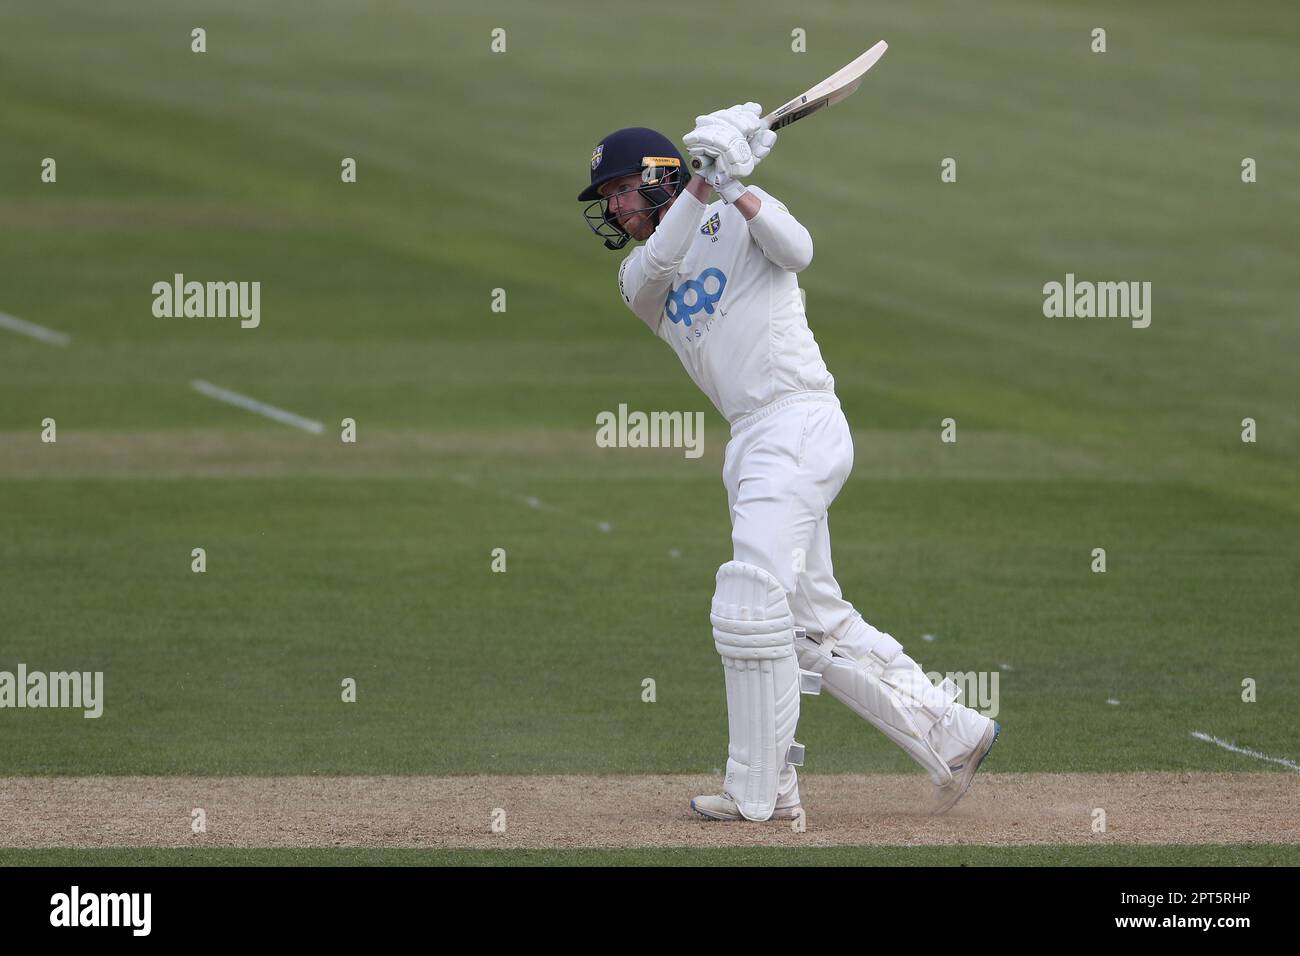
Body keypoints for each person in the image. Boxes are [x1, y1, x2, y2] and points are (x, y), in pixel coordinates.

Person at [578, 107, 999, 821]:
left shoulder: (740, 211)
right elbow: (665, 261)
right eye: (608, 199)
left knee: (751, 600)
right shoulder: (637, 276)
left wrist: (735, 181)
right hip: (753, 441)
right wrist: (703, 188)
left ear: (658, 177)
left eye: (621, 189)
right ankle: (952, 730)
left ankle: (761, 789)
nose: (615, 208)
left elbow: (798, 250)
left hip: (798, 419)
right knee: (810, 624)